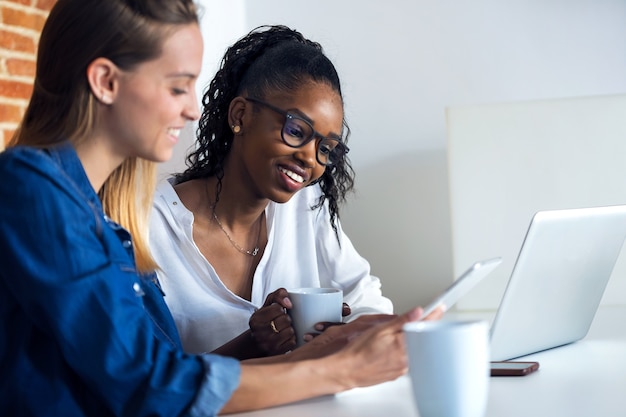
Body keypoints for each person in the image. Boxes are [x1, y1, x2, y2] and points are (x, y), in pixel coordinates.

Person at [0, 1, 442, 416]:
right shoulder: (30, 187)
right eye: (177, 87)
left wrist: (313, 352)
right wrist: (340, 369)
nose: (193, 110)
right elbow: (152, 386)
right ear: (106, 81)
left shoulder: (99, 216)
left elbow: (169, 372)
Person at [150, 25, 394, 359]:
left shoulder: (308, 207)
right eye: (296, 130)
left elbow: (372, 304)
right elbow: (150, 383)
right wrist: (250, 344)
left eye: (326, 148)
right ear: (240, 115)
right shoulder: (149, 228)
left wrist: (344, 330)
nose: (309, 158)